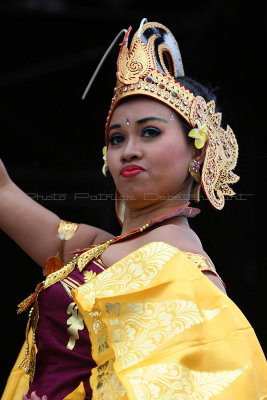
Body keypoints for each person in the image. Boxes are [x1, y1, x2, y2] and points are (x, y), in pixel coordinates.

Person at [1, 20, 266, 400]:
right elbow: (6, 196)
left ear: (200, 151)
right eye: (117, 137)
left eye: (150, 131)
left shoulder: (185, 269)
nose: (129, 149)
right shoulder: (102, 247)